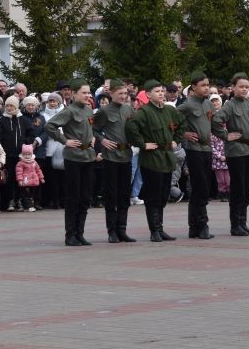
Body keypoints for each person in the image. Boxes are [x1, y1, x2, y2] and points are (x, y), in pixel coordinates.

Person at [126, 80, 186, 242]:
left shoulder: (168, 110)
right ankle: (154, 230)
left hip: (166, 157)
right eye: (157, 91)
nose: (161, 93)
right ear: (148, 94)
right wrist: (142, 144)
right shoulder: (143, 112)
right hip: (151, 159)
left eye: (162, 91)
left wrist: (175, 140)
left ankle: (160, 228)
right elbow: (131, 128)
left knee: (163, 194)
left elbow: (182, 123)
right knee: (153, 195)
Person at [212, 72, 249, 236]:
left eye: (246, 87)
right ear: (233, 88)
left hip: (248, 149)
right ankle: (235, 224)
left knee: (246, 188)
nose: (244, 89)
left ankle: (243, 222)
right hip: (235, 150)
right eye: (241, 87)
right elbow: (216, 121)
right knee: (237, 187)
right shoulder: (229, 105)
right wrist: (225, 136)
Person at [46, 79, 97, 246]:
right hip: (74, 158)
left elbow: (90, 128)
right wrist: (64, 140)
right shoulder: (69, 111)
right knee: (73, 197)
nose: (88, 95)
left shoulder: (89, 110)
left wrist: (93, 137)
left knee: (85, 197)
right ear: (74, 94)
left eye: (89, 92)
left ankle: (80, 233)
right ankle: (70, 235)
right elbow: (50, 126)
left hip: (88, 156)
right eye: (84, 92)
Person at [92, 79, 136, 243]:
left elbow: (136, 127)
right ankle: (112, 231)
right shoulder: (104, 111)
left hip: (126, 155)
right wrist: (101, 140)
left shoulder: (129, 109)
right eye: (120, 93)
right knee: (111, 194)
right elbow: (94, 128)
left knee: (124, 194)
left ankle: (122, 230)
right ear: (111, 94)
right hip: (111, 157)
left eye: (125, 93)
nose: (123, 96)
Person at [178, 71, 216, 240]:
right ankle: (202, 225)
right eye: (203, 85)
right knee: (200, 187)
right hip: (194, 150)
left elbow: (213, 124)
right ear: (194, 87)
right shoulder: (187, 105)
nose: (206, 88)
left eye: (208, 85)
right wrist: (183, 134)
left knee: (202, 187)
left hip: (207, 149)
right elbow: (170, 121)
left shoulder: (208, 104)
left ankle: (193, 227)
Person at [15, 144, 44, 211]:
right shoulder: (20, 163)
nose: (27, 156)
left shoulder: (34, 162)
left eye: (29, 154)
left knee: (32, 195)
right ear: (22, 154)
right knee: (26, 195)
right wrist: (20, 180)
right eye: (25, 154)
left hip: (34, 182)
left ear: (31, 154)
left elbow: (38, 170)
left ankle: (32, 205)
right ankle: (29, 206)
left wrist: (41, 178)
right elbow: (19, 172)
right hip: (25, 182)